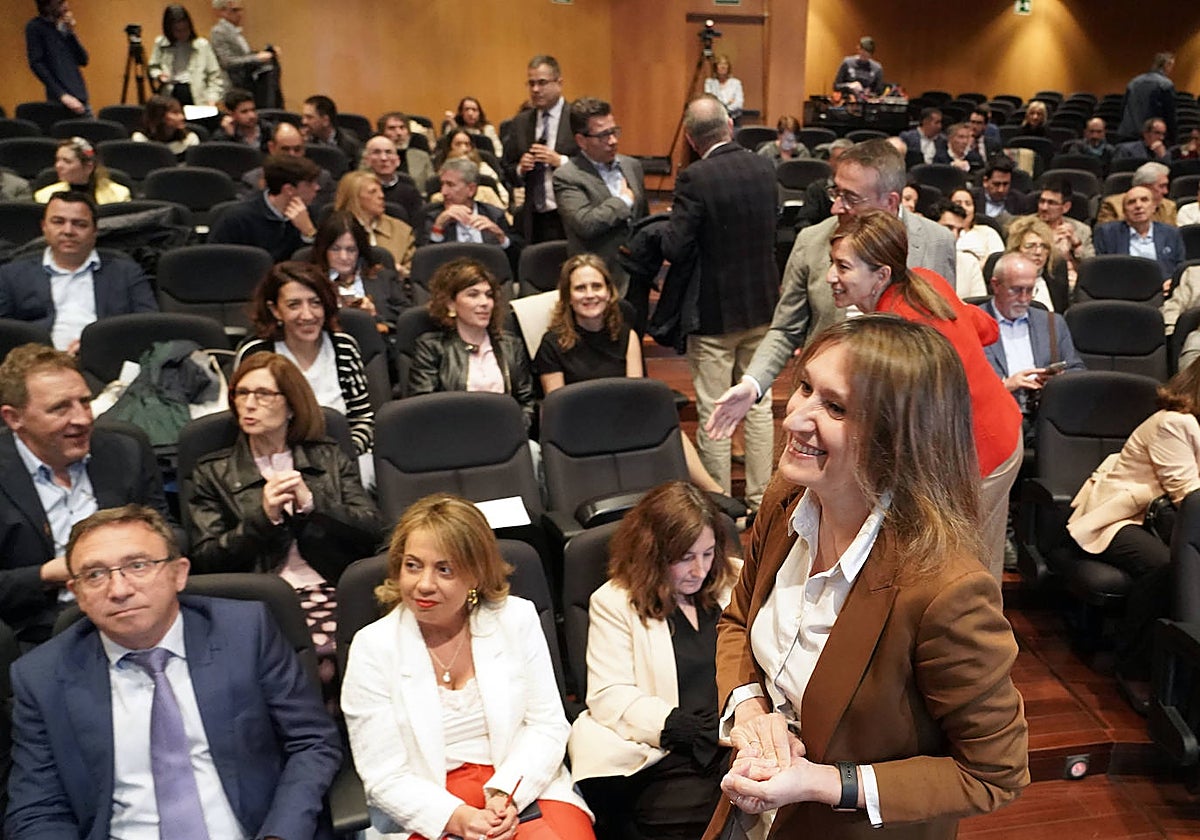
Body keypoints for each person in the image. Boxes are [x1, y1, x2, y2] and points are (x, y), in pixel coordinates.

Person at [709, 316, 1028, 838]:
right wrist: (751, 713)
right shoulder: (785, 497)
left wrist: (824, 783)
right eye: (805, 387)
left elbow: (995, 773)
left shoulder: (946, 590)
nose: (794, 419)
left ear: (899, 437)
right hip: (755, 816)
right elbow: (739, 621)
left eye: (834, 407)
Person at [6, 504, 342, 838]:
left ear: (178, 573)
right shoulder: (41, 677)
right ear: (77, 593)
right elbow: (37, 808)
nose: (119, 590)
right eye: (95, 575)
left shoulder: (245, 631)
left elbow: (312, 744)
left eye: (137, 566)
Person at [341, 493, 595, 840]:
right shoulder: (373, 648)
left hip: (522, 784)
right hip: (428, 804)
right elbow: (384, 775)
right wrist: (458, 818)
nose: (424, 584)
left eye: (444, 569)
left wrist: (507, 794)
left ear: (475, 574)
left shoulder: (516, 619)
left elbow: (548, 725)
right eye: (413, 565)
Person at [704, 139, 956, 444]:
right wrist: (753, 383)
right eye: (835, 192)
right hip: (822, 411)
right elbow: (786, 328)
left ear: (890, 202)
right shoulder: (811, 241)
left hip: (905, 419)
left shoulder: (936, 242)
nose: (837, 206)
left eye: (850, 198)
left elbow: (944, 336)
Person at [822, 210, 1022, 579]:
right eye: (832, 263)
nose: (831, 277)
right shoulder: (925, 279)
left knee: (967, 572)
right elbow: (987, 329)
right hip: (992, 435)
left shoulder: (892, 336)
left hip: (983, 452)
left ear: (881, 274)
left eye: (843, 267)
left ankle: (977, 636)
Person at [187, 353, 381, 678]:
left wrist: (313, 506)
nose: (248, 404)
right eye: (241, 393)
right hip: (261, 598)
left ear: (291, 405)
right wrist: (263, 519)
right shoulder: (212, 473)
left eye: (263, 394)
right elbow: (206, 561)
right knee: (306, 669)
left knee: (361, 661)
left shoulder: (329, 457)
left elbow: (373, 531)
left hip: (331, 586)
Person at [569, 481, 739, 840]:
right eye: (685, 558)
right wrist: (688, 730)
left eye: (708, 554)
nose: (699, 570)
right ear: (653, 553)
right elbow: (609, 695)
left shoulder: (733, 581)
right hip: (662, 753)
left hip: (733, 741)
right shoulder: (614, 602)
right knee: (718, 815)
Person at [0, 344, 170, 647]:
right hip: (39, 633)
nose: (82, 419)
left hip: (138, 613)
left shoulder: (125, 451)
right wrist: (44, 574)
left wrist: (136, 553)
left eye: (85, 401)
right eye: (60, 408)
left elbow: (173, 535)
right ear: (14, 418)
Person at [659, 97, 778, 511]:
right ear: (729, 124)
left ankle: (723, 506)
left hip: (713, 314)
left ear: (690, 138)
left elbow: (676, 246)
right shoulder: (765, 166)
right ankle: (763, 500)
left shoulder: (696, 177)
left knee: (715, 411)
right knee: (757, 405)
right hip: (763, 305)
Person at [1067, 362, 1200, 710]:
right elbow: (1188, 495)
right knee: (1165, 567)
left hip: (1165, 521)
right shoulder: (1175, 422)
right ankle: (1133, 667)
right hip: (1121, 515)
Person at [533, 254, 723, 495]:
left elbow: (634, 395)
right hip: (579, 431)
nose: (590, 294)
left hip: (622, 421)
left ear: (609, 292)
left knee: (668, 426)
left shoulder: (627, 336)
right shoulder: (551, 344)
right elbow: (559, 409)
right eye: (580, 288)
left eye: (597, 286)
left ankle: (716, 494)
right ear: (568, 297)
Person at [235, 261, 376, 457]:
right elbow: (246, 422)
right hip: (274, 458)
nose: (307, 315)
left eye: (315, 303)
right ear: (275, 310)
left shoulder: (344, 348)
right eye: (294, 305)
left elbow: (363, 420)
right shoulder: (256, 353)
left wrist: (340, 459)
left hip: (342, 459)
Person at [0, 192, 157, 353]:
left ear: (95, 231)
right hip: (35, 363)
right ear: (44, 227)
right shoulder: (10, 275)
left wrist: (98, 345)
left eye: (80, 224)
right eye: (58, 222)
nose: (68, 231)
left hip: (104, 360)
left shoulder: (126, 272)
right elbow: (4, 333)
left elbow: (148, 326)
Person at [410, 258, 536, 432]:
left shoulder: (510, 345)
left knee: (533, 451)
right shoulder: (431, 347)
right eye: (473, 294)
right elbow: (424, 408)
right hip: (454, 440)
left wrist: (514, 431)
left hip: (505, 438)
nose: (484, 303)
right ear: (451, 304)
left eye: (489, 295)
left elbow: (526, 402)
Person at [979, 252, 1086, 444]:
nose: (1024, 298)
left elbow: (1077, 371)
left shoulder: (1053, 323)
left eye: (1030, 290)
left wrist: (1056, 380)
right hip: (992, 419)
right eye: (1016, 290)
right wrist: (1005, 386)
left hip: (1044, 419)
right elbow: (958, 382)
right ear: (995, 285)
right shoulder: (973, 323)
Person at [553, 97, 647, 296]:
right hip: (597, 284)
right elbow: (586, 224)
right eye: (603, 135)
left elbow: (642, 221)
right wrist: (623, 201)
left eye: (613, 132)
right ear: (581, 140)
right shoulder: (567, 176)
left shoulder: (632, 166)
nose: (612, 141)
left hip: (637, 278)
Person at [503, 55, 578, 243]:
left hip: (571, 214)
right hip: (534, 217)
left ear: (559, 83)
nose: (536, 89)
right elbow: (507, 168)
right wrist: (521, 168)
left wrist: (560, 161)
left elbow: (595, 164)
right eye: (531, 83)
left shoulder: (577, 118)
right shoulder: (520, 122)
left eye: (542, 83)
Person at [312, 209, 413, 332]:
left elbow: (407, 319)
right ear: (324, 250)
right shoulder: (311, 281)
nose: (343, 257)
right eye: (335, 249)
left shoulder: (382, 277)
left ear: (360, 250)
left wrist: (374, 316)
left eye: (351, 250)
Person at [210, 153, 321, 262]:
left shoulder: (311, 214)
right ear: (289, 190)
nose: (317, 187)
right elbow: (217, 263)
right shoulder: (237, 219)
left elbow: (319, 265)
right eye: (310, 183)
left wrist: (309, 233)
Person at [1095, 184, 1186, 282]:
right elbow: (1103, 269)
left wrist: (1171, 282)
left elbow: (1180, 267)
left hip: (1162, 289)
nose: (1138, 206)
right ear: (1124, 212)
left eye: (1144, 200)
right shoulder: (1108, 233)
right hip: (1122, 289)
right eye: (1131, 202)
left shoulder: (1171, 233)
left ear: (1154, 207)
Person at [334, 169, 416, 278]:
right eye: (373, 192)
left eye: (381, 191)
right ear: (354, 198)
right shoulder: (334, 230)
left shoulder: (401, 230)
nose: (381, 196)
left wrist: (401, 272)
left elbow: (414, 271)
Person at [425, 158, 517, 253]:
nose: (443, 192)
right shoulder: (431, 217)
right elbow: (423, 260)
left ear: (471, 189)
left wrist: (502, 238)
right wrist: (438, 228)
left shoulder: (495, 215)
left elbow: (513, 258)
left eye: (450, 185)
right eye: (442, 185)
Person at [148, 4, 224, 107]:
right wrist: (159, 75)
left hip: (197, 94)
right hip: (171, 92)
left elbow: (215, 75)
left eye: (185, 29)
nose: (182, 34)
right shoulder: (161, 43)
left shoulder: (202, 45)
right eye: (177, 30)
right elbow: (153, 67)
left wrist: (212, 98)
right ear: (169, 30)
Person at [994, 216, 1070, 313]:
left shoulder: (1056, 272)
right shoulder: (1003, 276)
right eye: (1030, 246)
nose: (1038, 252)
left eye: (1044, 246)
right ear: (1016, 249)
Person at [25, 0, 89, 115]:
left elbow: (83, 60)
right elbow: (36, 64)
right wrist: (62, 94)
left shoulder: (63, 28)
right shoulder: (35, 27)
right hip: (60, 99)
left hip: (80, 94)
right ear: (47, 6)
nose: (66, 6)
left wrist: (70, 33)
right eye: (60, 3)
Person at [209, 0, 277, 104]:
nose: (240, 14)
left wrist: (263, 53)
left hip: (246, 81)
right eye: (235, 10)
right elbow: (227, 61)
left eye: (240, 10)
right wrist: (257, 58)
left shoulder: (234, 30)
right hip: (234, 84)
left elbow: (243, 55)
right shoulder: (219, 31)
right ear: (222, 11)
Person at [1028, 176, 1094, 280]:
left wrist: (1076, 244)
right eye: (1042, 201)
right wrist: (1051, 246)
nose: (1044, 207)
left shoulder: (1082, 230)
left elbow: (1091, 266)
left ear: (1066, 207)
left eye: (1051, 203)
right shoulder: (1025, 226)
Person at [33, 137, 130, 206]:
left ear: (88, 167)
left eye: (67, 161)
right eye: (57, 160)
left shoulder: (119, 195)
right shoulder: (44, 196)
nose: (58, 166)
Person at [432, 128, 510, 210]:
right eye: (458, 144)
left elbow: (504, 199)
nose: (464, 148)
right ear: (449, 147)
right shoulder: (444, 172)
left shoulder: (484, 169)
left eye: (467, 144)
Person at [360, 133, 425, 226]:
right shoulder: (357, 190)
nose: (384, 158)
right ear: (367, 160)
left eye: (388, 152)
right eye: (376, 152)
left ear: (397, 160)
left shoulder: (410, 191)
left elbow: (418, 226)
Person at [931, 200, 987, 300]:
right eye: (948, 228)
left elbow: (978, 305)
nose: (955, 235)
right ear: (930, 226)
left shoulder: (969, 263)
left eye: (959, 230)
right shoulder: (914, 257)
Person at [1119, 52, 1177, 143]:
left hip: (1128, 134)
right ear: (1167, 65)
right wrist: (1173, 139)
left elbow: (1123, 108)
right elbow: (1170, 113)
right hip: (1151, 136)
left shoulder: (1134, 82)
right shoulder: (1165, 84)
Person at [1096, 160, 1177, 226]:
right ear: (1144, 186)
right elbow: (1105, 237)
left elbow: (1173, 239)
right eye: (1162, 186)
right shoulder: (1112, 205)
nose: (1166, 191)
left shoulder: (1169, 206)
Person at [378, 111, 437, 199]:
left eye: (402, 128)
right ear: (382, 134)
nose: (399, 133)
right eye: (392, 128)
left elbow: (432, 186)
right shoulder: (373, 157)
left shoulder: (422, 156)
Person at [949, 187, 1004, 273]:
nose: (963, 207)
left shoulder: (988, 232)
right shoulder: (943, 232)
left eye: (968, 204)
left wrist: (975, 269)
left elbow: (997, 260)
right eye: (958, 203)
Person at [131, 94, 201, 160]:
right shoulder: (140, 139)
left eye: (181, 112)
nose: (182, 117)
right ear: (159, 117)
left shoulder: (190, 139)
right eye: (175, 113)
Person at [972, 156, 1026, 234]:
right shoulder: (972, 199)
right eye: (996, 184)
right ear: (985, 181)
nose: (1001, 190)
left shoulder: (1020, 201)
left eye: (1005, 184)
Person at [303, 94, 362, 163]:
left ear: (325, 121)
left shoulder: (350, 144)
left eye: (309, 117)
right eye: (303, 117)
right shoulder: (306, 142)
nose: (304, 122)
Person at [704, 54, 744, 122]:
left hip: (733, 118)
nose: (723, 66)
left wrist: (723, 107)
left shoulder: (736, 83)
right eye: (720, 64)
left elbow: (739, 103)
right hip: (715, 119)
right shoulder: (709, 83)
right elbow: (710, 102)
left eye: (725, 64)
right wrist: (729, 102)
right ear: (715, 67)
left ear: (728, 67)